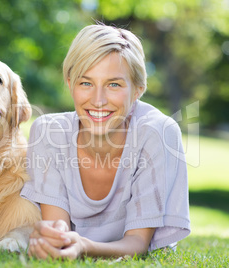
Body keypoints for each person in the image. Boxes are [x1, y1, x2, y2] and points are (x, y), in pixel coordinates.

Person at [20, 24, 190, 260]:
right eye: (86, 83)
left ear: (138, 90)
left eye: (114, 85)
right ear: (70, 84)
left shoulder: (158, 133)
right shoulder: (48, 132)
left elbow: (138, 242)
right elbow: (58, 228)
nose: (98, 100)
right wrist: (56, 237)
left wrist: (83, 246)